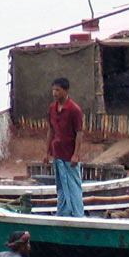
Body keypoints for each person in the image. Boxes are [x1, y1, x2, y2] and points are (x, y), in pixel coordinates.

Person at [46, 78, 84, 217]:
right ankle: (63, 212)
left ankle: (78, 214)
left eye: (58, 90)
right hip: (57, 153)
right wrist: (47, 152)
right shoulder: (52, 108)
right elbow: (50, 130)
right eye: (53, 90)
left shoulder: (74, 110)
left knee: (73, 185)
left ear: (65, 91)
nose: (54, 93)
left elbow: (79, 133)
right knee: (61, 185)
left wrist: (76, 154)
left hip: (69, 154)